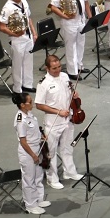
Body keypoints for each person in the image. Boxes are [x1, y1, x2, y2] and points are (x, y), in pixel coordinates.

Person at [35, 55, 81, 187]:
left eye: (59, 67)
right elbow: (39, 105)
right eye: (54, 68)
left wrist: (74, 94)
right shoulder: (43, 84)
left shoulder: (65, 76)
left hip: (68, 119)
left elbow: (68, 92)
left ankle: (70, 172)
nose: (57, 70)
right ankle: (52, 178)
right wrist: (58, 112)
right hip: (53, 122)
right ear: (47, 68)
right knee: (51, 151)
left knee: (67, 147)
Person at [48, 0, 92, 80]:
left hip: (81, 19)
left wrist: (90, 16)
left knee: (81, 43)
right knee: (71, 46)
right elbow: (52, 7)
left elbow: (86, 1)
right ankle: (72, 71)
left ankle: (79, 66)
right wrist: (65, 16)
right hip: (70, 22)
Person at [0, 0, 38, 93]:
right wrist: (15, 34)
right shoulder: (7, 8)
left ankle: (27, 85)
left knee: (28, 62)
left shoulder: (24, 2)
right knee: (17, 65)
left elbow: (28, 18)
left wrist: (34, 33)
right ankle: (17, 89)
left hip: (28, 37)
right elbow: (1, 27)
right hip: (17, 40)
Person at [12, 92, 48, 214]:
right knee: (29, 179)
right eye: (30, 102)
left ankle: (38, 199)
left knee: (38, 176)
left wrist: (41, 137)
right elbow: (23, 141)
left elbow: (33, 131)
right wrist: (33, 155)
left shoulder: (29, 114)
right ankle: (31, 205)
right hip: (28, 153)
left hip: (36, 148)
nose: (32, 104)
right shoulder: (21, 120)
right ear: (22, 105)